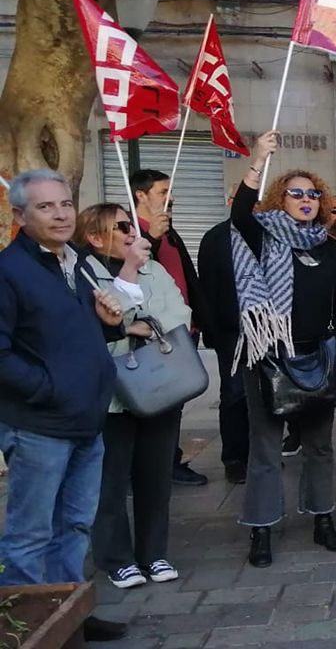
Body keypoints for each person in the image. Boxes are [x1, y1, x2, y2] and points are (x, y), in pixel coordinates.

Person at [0, 169, 128, 642]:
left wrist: (107, 326)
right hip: (38, 425)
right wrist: (48, 388)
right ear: (19, 215)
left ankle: (68, 612)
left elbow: (70, 338)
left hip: (85, 420)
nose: (60, 214)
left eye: (65, 204)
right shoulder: (10, 271)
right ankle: (25, 627)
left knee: (74, 525)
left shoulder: (75, 263)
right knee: (30, 534)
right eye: (45, 206)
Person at [231, 131, 336, 567]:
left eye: (313, 194)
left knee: (320, 447)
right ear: (281, 199)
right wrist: (258, 158)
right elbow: (241, 210)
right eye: (296, 193)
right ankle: (261, 529)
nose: (306, 199)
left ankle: (322, 521)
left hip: (317, 357)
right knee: (265, 448)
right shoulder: (262, 234)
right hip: (269, 356)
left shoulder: (327, 247)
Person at [79, 204, 191, 588]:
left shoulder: (155, 270)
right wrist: (131, 321)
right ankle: (116, 558)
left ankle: (154, 554)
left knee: (155, 477)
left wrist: (143, 325)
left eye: (132, 224)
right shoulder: (84, 274)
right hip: (112, 397)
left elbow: (179, 315)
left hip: (160, 386)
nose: (132, 232)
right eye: (121, 226)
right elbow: (98, 325)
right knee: (110, 480)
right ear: (95, 237)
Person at [130, 169, 208, 488]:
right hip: (152, 334)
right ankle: (148, 466)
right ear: (141, 195)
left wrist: (199, 319)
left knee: (175, 400)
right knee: (155, 401)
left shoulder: (169, 232)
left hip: (181, 329)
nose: (170, 197)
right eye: (163, 192)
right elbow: (131, 271)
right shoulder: (131, 232)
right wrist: (150, 239)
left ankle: (166, 460)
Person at [198, 185, 249, 484]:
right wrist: (212, 331)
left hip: (264, 333)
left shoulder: (266, 234)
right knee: (233, 394)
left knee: (263, 397)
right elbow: (207, 287)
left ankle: (257, 452)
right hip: (230, 332)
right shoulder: (215, 238)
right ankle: (234, 458)